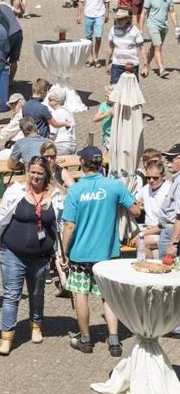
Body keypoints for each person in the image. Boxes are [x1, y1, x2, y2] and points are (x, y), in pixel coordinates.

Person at [61, 147, 142, 355]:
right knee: (108, 296)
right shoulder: (114, 186)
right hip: (107, 253)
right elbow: (136, 210)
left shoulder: (76, 190)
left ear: (81, 162)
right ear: (100, 164)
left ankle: (86, 339)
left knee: (81, 294)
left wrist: (64, 251)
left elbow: (69, 225)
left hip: (80, 253)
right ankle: (114, 340)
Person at [0, 157, 61, 355]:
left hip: (41, 255)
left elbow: (61, 225)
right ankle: (7, 336)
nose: (35, 176)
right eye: (32, 172)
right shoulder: (15, 191)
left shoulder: (55, 195)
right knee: (11, 295)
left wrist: (62, 253)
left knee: (37, 293)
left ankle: (36, 325)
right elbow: (1, 217)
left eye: (39, 173)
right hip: (12, 252)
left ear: (46, 175)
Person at [141, 0, 177, 77]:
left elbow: (172, 12)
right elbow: (143, 14)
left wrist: (176, 27)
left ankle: (145, 64)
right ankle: (161, 70)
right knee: (158, 46)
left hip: (164, 27)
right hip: (152, 25)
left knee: (154, 47)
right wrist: (140, 29)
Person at [77, 0, 109, 67]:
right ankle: (90, 57)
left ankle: (96, 56)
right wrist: (79, 15)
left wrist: (107, 12)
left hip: (100, 12)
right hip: (88, 13)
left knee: (98, 36)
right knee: (89, 38)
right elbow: (81, 1)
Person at [107, 8, 148, 84]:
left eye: (121, 19)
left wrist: (145, 66)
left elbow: (142, 48)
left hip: (132, 66)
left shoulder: (134, 30)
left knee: (131, 90)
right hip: (116, 65)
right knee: (114, 89)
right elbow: (110, 48)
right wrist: (107, 64)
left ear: (127, 19)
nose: (118, 21)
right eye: (117, 19)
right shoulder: (113, 30)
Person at [47, 88, 76, 155]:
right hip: (72, 144)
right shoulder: (69, 112)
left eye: (50, 100)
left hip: (61, 145)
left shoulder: (55, 114)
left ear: (57, 101)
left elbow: (52, 135)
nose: (48, 101)